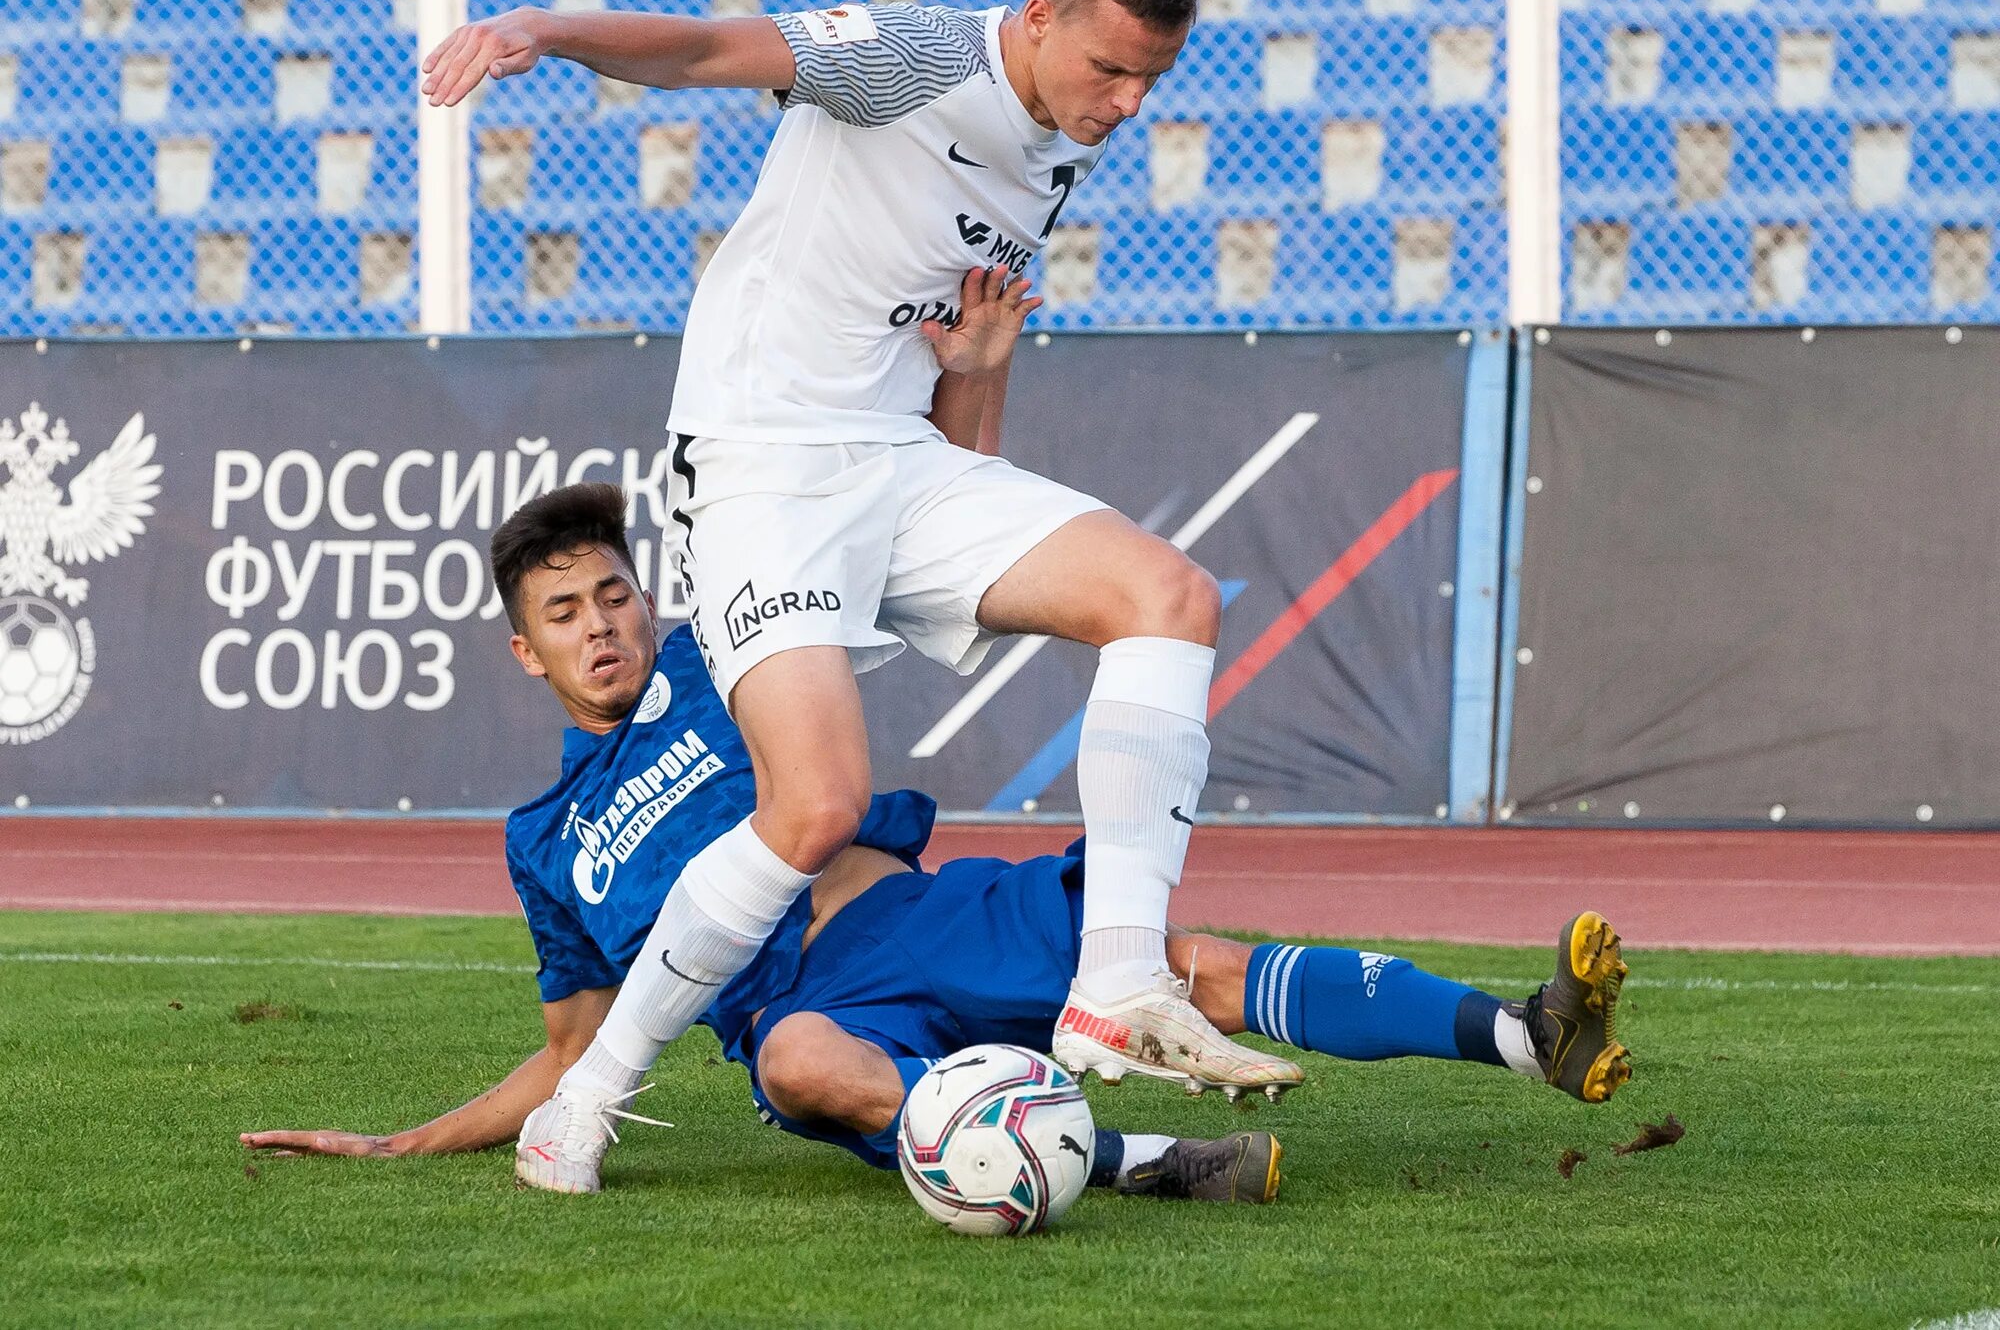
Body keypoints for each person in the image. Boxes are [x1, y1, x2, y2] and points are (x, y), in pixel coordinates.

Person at [423, 0, 1300, 1192]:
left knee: (1165, 595)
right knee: (817, 802)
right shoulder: (918, 56)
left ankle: (1115, 982)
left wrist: (977, 376)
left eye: (1150, 81)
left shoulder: (1059, 144)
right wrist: (538, 30)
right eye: (1110, 69)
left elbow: (954, 422)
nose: (1126, 105)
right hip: (760, 466)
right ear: (1039, 17)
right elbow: (712, 52)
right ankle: (589, 1100)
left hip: (897, 460)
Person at [238, 483, 1634, 1200]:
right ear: (524, 649)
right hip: (805, 1008)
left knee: (1182, 963)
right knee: (798, 1064)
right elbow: (571, 1054)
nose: (600, 624)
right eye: (565, 612)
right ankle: (1132, 1159)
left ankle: (1524, 1033)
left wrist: (973, 364)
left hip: (924, 916)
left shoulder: (725, 666)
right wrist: (403, 1144)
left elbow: (931, 513)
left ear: (648, 604)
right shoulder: (544, 840)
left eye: (614, 594)